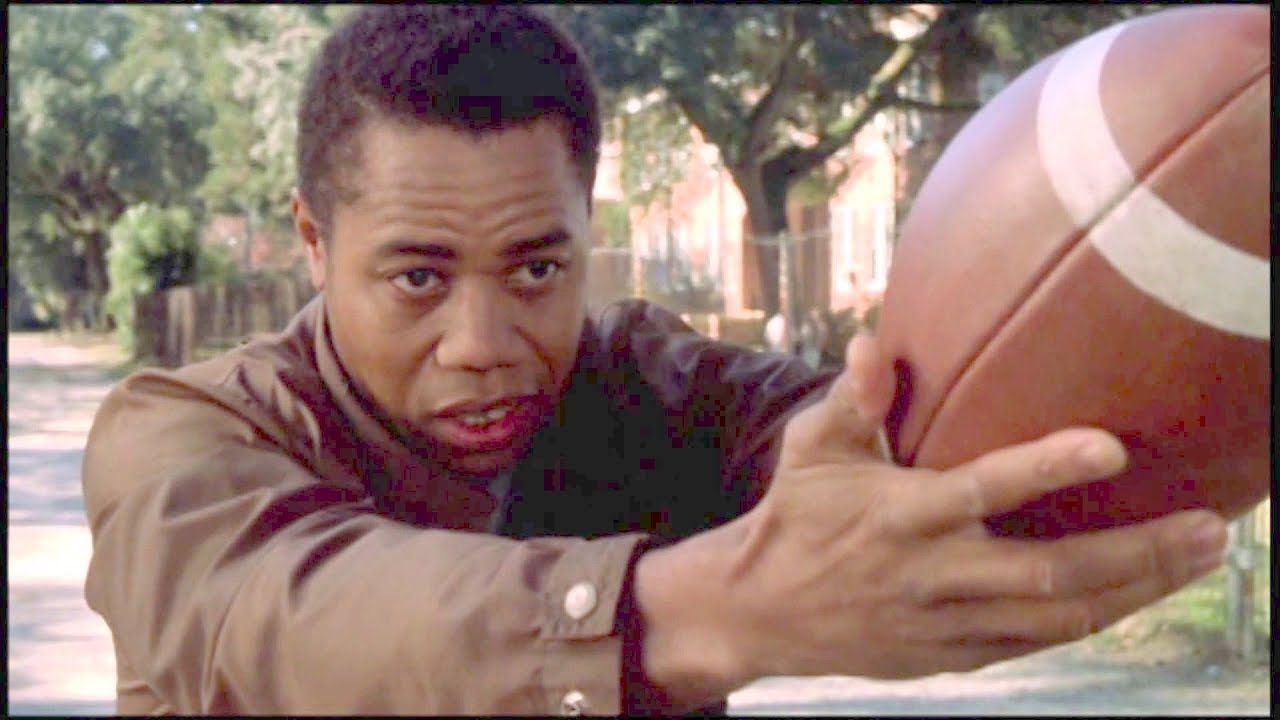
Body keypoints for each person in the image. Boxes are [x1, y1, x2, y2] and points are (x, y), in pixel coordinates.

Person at [81, 6, 1230, 716]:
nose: (481, 346)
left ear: (588, 228)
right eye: (417, 278)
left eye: (537, 268)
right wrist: (710, 608)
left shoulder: (642, 387)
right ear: (312, 241)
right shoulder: (181, 441)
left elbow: (889, 454)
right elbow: (298, 625)